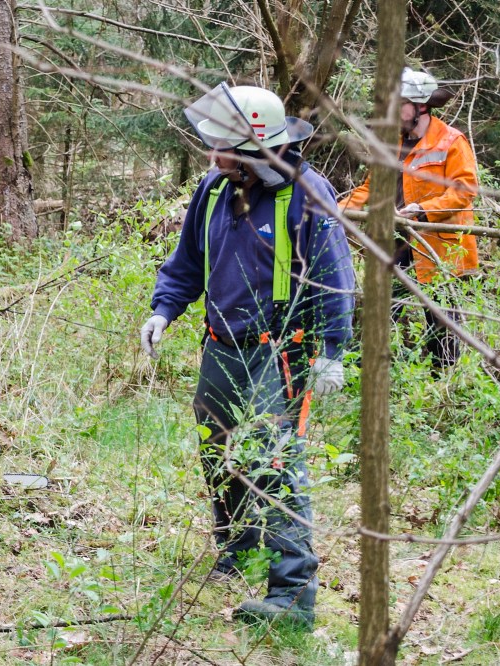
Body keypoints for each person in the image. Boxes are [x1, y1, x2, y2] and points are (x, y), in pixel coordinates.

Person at [140, 83, 355, 629]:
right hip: (221, 344)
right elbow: (188, 260)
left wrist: (332, 349)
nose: (213, 156)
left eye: (224, 148)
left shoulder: (307, 194)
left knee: (273, 462)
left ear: (258, 148)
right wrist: (164, 310)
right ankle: (237, 548)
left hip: (277, 352)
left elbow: (335, 276)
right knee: (217, 449)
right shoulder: (214, 188)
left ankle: (292, 597)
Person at [340, 67, 479, 370]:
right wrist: (338, 209)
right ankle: (363, 369)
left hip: (438, 246)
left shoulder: (451, 141)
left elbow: (464, 191)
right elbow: (371, 187)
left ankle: (442, 381)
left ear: (420, 107)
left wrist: (422, 210)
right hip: (398, 243)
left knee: (440, 320)